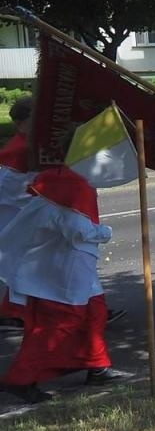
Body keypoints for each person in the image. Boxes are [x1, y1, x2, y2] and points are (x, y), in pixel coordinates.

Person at [0, 167, 120, 403]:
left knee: (95, 310)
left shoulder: (62, 178)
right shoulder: (70, 182)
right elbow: (78, 228)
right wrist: (106, 232)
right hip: (66, 264)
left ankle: (96, 364)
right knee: (62, 321)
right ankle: (21, 379)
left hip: (71, 260)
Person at [0, 97, 37, 328]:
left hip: (19, 215)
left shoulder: (25, 145)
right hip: (16, 216)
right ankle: (14, 311)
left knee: (25, 263)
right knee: (25, 262)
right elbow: (10, 189)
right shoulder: (21, 148)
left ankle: (14, 311)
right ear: (23, 122)